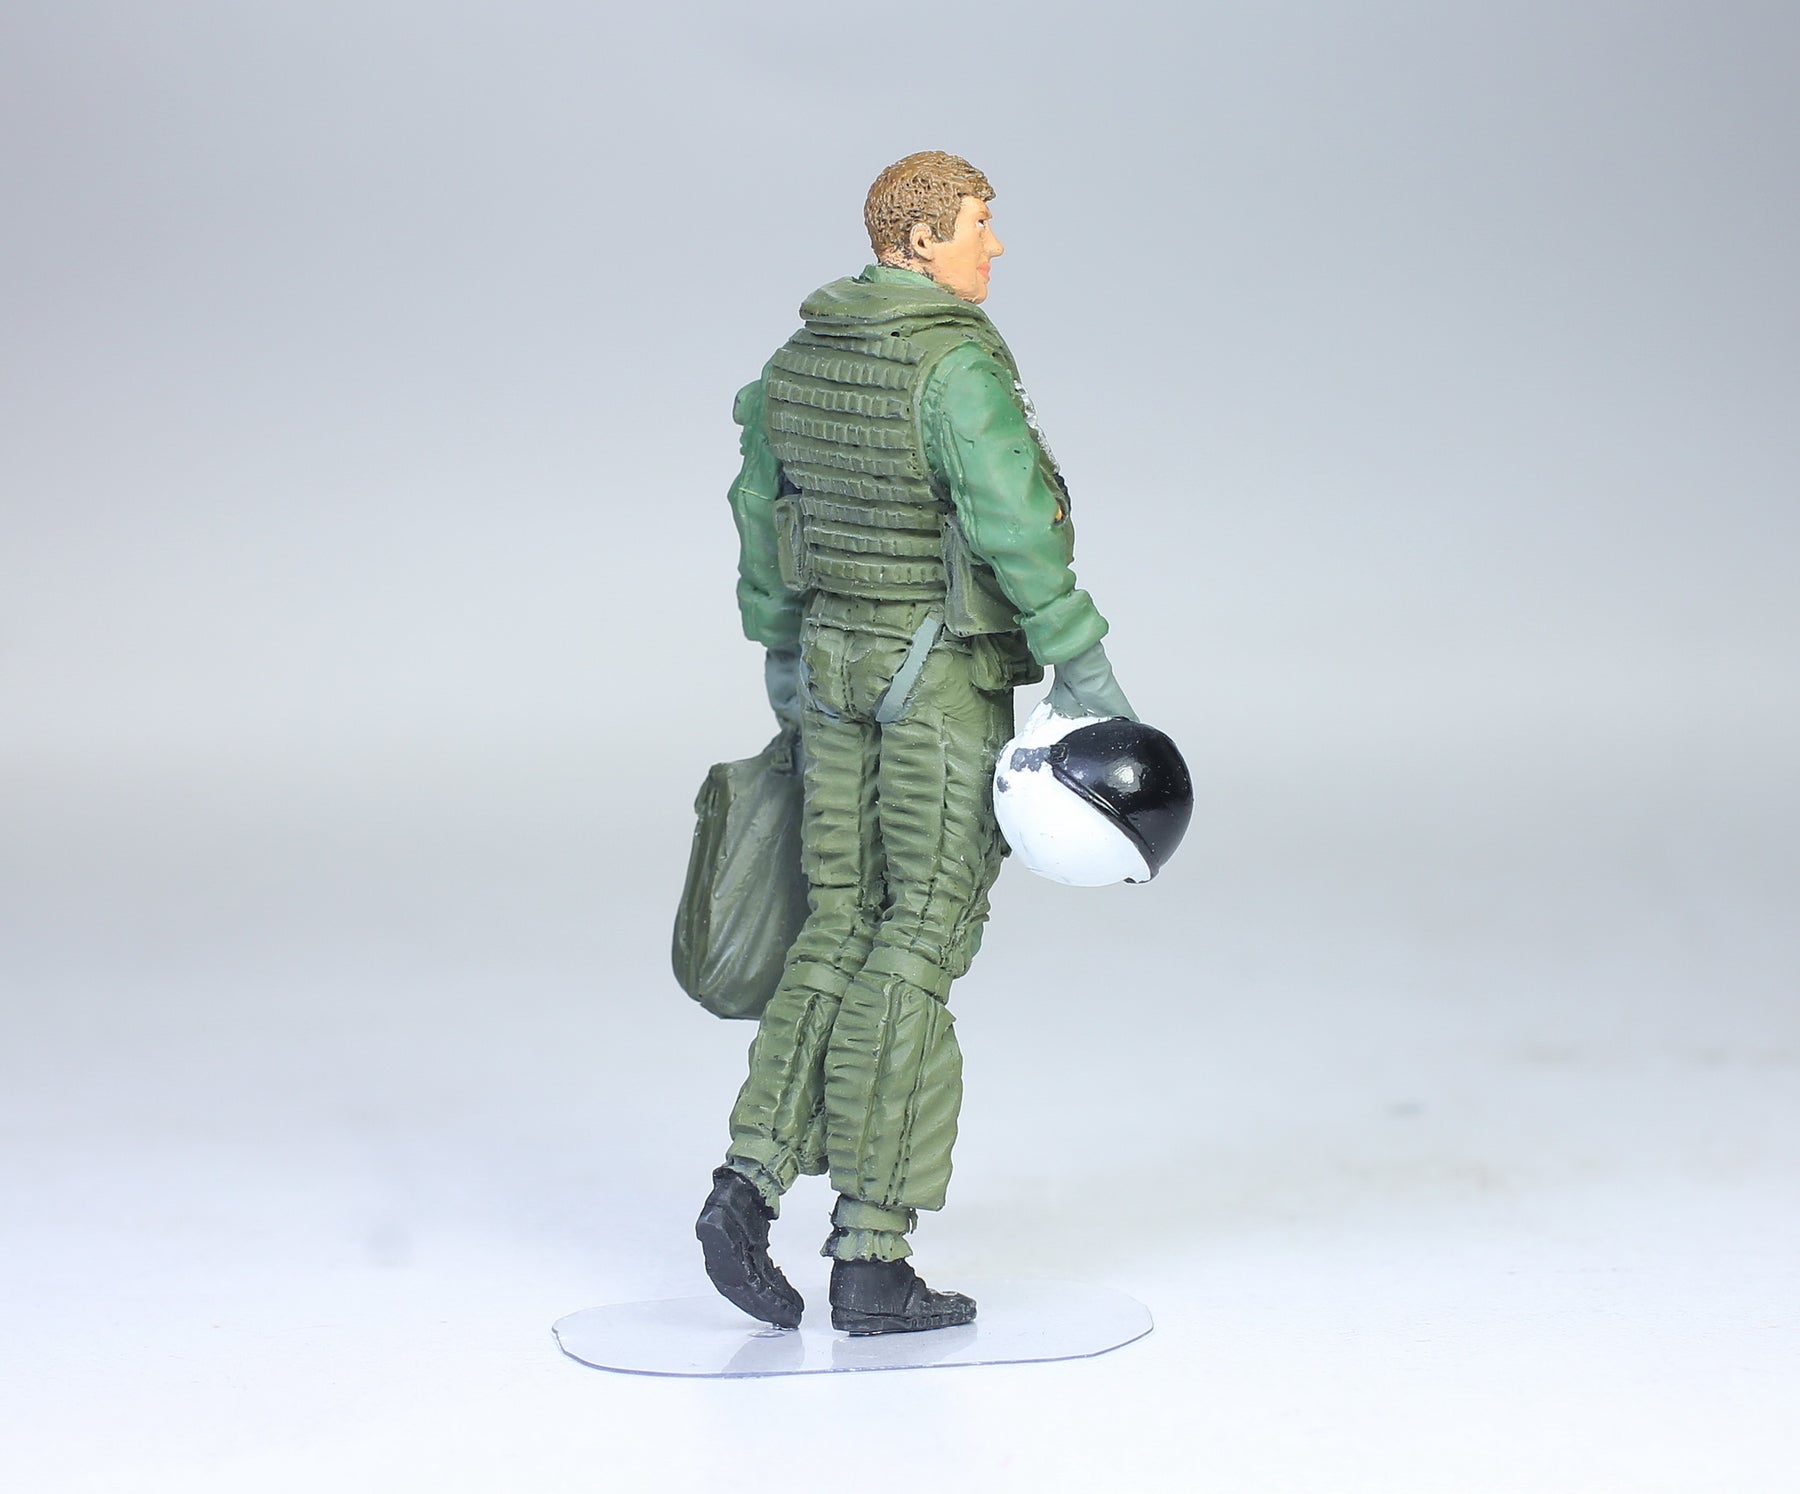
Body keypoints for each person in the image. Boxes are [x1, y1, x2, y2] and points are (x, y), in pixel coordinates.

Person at [695, 151, 1135, 1335]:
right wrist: (1083, 662)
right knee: (921, 937)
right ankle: (871, 1253)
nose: (996, 246)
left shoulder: (796, 364)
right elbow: (1014, 524)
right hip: (938, 679)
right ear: (922, 240)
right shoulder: (953, 367)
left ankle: (745, 1183)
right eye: (980, 224)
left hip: (831, 667)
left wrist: (778, 647)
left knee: (838, 924)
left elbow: (759, 513)